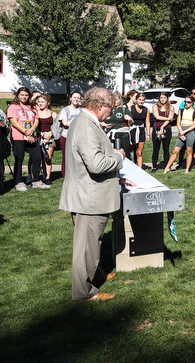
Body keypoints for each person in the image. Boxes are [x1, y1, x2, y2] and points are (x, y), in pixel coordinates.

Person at [59, 87, 127, 301]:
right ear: (100, 106)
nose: (112, 112)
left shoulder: (84, 121)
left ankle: (94, 274)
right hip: (89, 198)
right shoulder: (87, 126)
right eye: (111, 108)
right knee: (87, 247)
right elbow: (96, 164)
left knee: (92, 243)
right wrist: (118, 157)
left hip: (88, 194)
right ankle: (84, 292)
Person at [7, 87, 47, 191]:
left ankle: (36, 181)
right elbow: (14, 122)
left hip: (32, 137)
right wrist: (25, 132)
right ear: (17, 95)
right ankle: (18, 182)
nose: (24, 97)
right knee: (19, 159)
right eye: (22, 95)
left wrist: (32, 129)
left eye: (26, 95)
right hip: (18, 137)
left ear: (29, 96)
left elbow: (36, 120)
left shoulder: (32, 107)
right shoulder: (13, 106)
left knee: (37, 157)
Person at [164, 95, 195, 174]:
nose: (186, 103)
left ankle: (187, 169)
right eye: (185, 102)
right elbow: (178, 122)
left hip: (190, 132)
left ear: (192, 102)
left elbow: (194, 125)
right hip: (181, 131)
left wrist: (185, 131)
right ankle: (167, 168)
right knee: (175, 151)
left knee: (189, 152)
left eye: (188, 102)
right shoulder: (181, 111)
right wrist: (181, 131)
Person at [56, 91, 82, 177]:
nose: (76, 99)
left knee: (78, 157)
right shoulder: (65, 109)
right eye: (74, 97)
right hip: (66, 136)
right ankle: (65, 176)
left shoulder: (81, 110)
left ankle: (76, 176)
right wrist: (78, 123)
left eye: (78, 98)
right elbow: (65, 123)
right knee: (66, 157)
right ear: (70, 98)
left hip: (78, 137)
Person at [34, 94, 57, 185]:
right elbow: (34, 126)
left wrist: (50, 134)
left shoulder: (53, 113)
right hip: (39, 137)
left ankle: (47, 177)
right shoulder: (35, 113)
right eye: (39, 102)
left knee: (47, 158)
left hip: (50, 138)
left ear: (48, 103)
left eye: (43, 102)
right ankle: (36, 176)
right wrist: (42, 134)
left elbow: (56, 126)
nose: (40, 103)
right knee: (37, 158)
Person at [150, 92, 174, 170]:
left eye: (164, 97)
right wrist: (168, 118)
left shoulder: (171, 107)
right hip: (156, 128)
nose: (163, 99)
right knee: (156, 148)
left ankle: (167, 166)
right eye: (161, 98)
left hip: (167, 129)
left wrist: (162, 127)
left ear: (167, 98)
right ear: (159, 98)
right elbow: (157, 117)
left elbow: (171, 118)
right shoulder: (155, 107)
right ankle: (154, 167)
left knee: (166, 149)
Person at [129, 92, 151, 168]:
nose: (141, 101)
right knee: (130, 151)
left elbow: (147, 122)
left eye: (143, 100)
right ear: (136, 100)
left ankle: (140, 170)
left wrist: (148, 134)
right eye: (139, 100)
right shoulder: (131, 108)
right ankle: (130, 167)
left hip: (141, 131)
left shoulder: (146, 110)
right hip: (132, 131)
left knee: (139, 152)